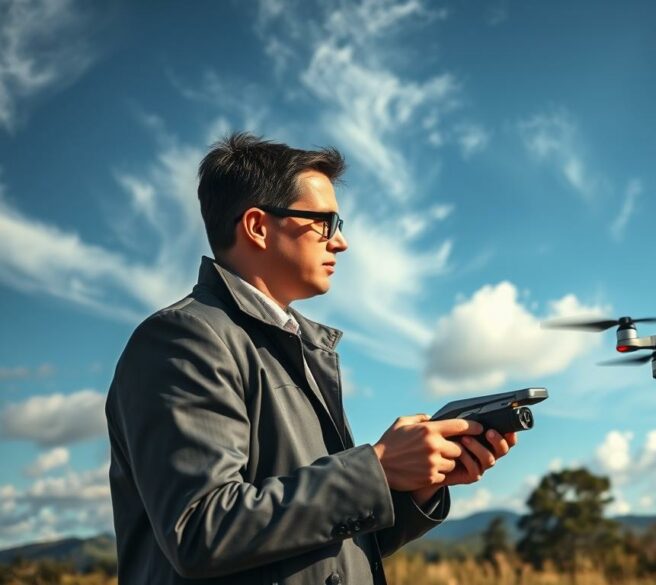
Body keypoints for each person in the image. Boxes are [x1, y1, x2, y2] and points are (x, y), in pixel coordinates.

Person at [104, 132, 517, 585]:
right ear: (258, 227)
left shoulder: (298, 349)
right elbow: (201, 529)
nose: (340, 243)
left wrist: (416, 486)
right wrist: (376, 467)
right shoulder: (183, 339)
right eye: (325, 223)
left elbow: (328, 551)